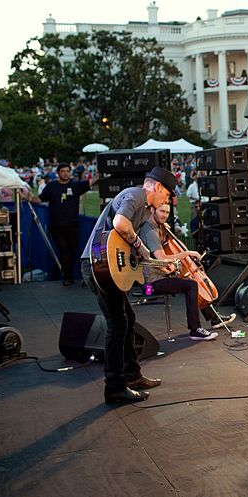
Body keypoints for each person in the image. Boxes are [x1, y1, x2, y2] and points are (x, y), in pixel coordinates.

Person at [80, 167, 176, 404]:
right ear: (157, 187)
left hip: (107, 265)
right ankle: (114, 387)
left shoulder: (145, 211)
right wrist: (141, 249)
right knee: (118, 322)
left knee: (127, 319)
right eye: (168, 195)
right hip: (97, 266)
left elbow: (138, 245)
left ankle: (132, 376)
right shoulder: (135, 195)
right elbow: (120, 223)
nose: (168, 200)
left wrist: (157, 263)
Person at [139, 203, 218, 341]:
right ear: (152, 210)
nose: (165, 215)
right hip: (150, 285)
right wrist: (187, 253)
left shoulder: (157, 228)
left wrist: (164, 233)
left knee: (191, 282)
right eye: (162, 211)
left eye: (167, 212)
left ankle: (214, 318)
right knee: (191, 285)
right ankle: (195, 329)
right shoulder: (149, 230)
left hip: (161, 275)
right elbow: (162, 258)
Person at [23, 162, 99, 285]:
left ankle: (73, 276)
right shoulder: (51, 187)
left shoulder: (75, 186)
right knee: (64, 251)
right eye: (63, 171)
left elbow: (92, 182)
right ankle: (67, 277)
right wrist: (27, 197)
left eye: (68, 171)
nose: (65, 173)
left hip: (73, 226)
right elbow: (38, 199)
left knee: (73, 252)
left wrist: (100, 171)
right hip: (57, 227)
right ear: (58, 173)